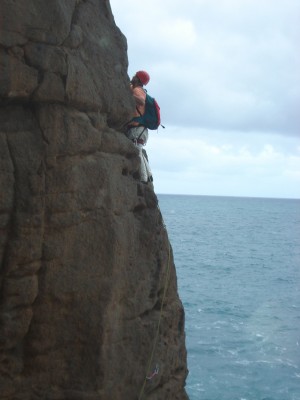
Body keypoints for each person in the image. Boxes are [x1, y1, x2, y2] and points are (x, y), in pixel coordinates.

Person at [126, 70, 153, 185]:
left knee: (137, 151)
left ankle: (143, 179)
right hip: (141, 130)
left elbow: (141, 101)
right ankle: (149, 176)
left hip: (137, 130)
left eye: (135, 76)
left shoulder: (138, 90)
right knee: (140, 151)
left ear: (138, 79)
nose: (133, 77)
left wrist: (130, 95)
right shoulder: (138, 89)